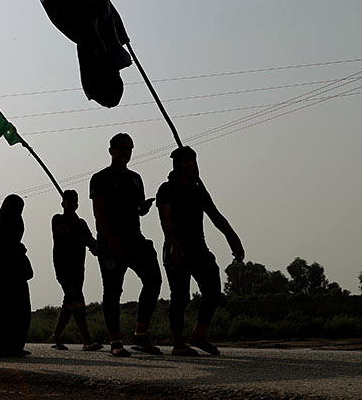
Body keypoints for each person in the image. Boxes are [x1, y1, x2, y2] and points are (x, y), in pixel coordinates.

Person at [157, 146, 245, 356]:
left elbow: (216, 216)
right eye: (185, 161)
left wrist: (233, 239)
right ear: (177, 165)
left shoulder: (198, 191)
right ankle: (178, 343)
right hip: (176, 249)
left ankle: (198, 335)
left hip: (199, 248)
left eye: (192, 160)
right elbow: (165, 219)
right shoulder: (167, 189)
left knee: (213, 291)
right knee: (180, 297)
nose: (190, 164)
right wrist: (172, 243)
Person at [90, 133, 162, 357]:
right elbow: (99, 211)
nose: (126, 152)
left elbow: (137, 207)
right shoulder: (100, 178)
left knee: (153, 279)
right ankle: (115, 342)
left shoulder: (135, 178)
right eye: (122, 148)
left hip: (135, 238)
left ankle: (141, 335)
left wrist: (144, 207)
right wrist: (110, 239)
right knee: (112, 290)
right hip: (110, 240)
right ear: (111, 150)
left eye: (129, 148)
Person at [49, 189, 103, 351]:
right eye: (69, 201)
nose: (73, 204)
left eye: (75, 201)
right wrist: (89, 243)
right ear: (63, 203)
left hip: (79, 268)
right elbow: (68, 235)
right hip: (63, 267)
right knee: (77, 300)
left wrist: (98, 247)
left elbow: (92, 240)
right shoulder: (58, 219)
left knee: (70, 302)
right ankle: (87, 340)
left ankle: (56, 335)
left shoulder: (81, 223)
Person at [0, 195, 34, 357]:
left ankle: (4, 346)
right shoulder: (7, 233)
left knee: (6, 311)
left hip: (7, 273)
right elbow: (10, 243)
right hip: (11, 273)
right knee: (16, 311)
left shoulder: (0, 230)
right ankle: (11, 346)